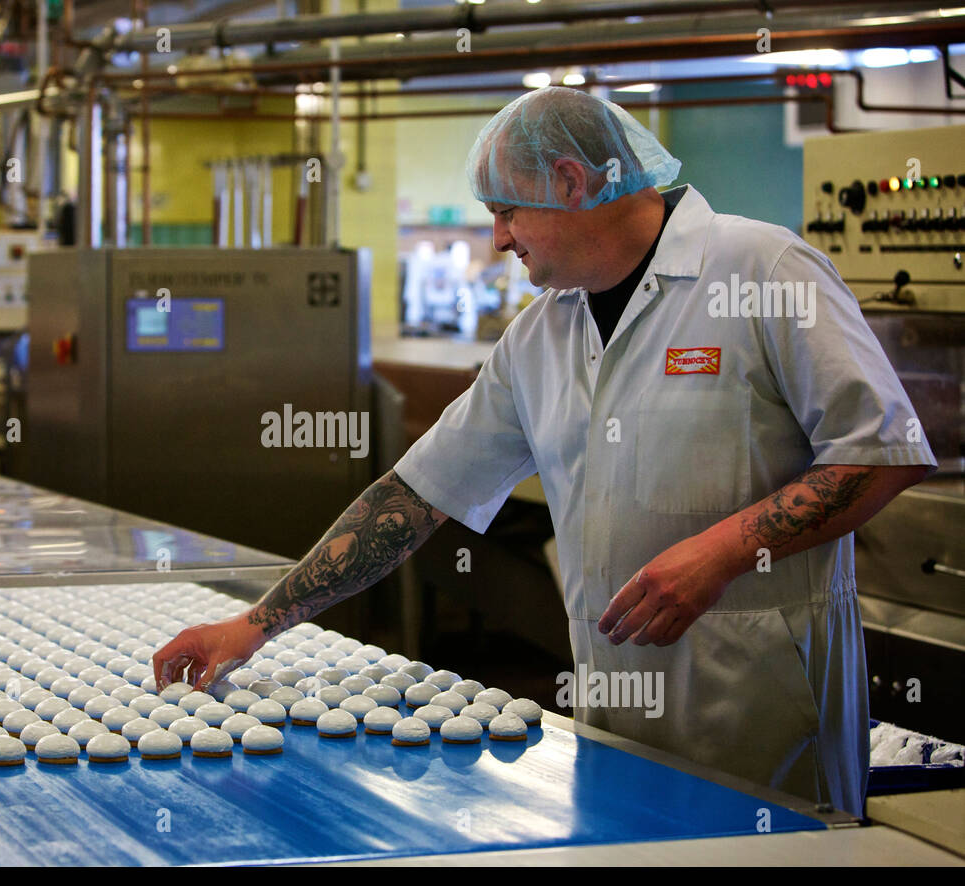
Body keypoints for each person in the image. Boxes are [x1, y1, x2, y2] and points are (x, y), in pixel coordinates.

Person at [153, 87, 935, 819]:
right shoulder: (543, 333)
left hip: (762, 717)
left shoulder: (760, 270)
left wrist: (726, 550)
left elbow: (881, 451)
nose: (496, 240)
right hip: (615, 721)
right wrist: (255, 626)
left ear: (570, 179)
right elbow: (415, 496)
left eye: (506, 213)